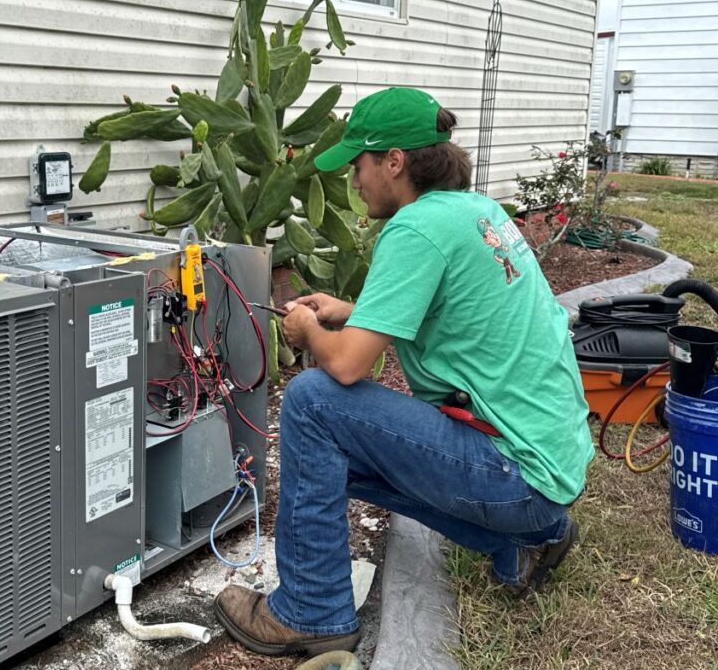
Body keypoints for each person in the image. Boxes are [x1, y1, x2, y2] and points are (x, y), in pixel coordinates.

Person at [213, 87, 594, 657]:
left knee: (314, 402)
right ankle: (526, 538)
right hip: (550, 468)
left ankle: (311, 612)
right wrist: (347, 313)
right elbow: (437, 313)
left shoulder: (413, 229)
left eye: (360, 165)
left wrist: (308, 333)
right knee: (335, 451)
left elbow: (344, 365)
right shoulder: (475, 211)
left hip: (515, 472)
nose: (355, 181)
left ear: (394, 161)